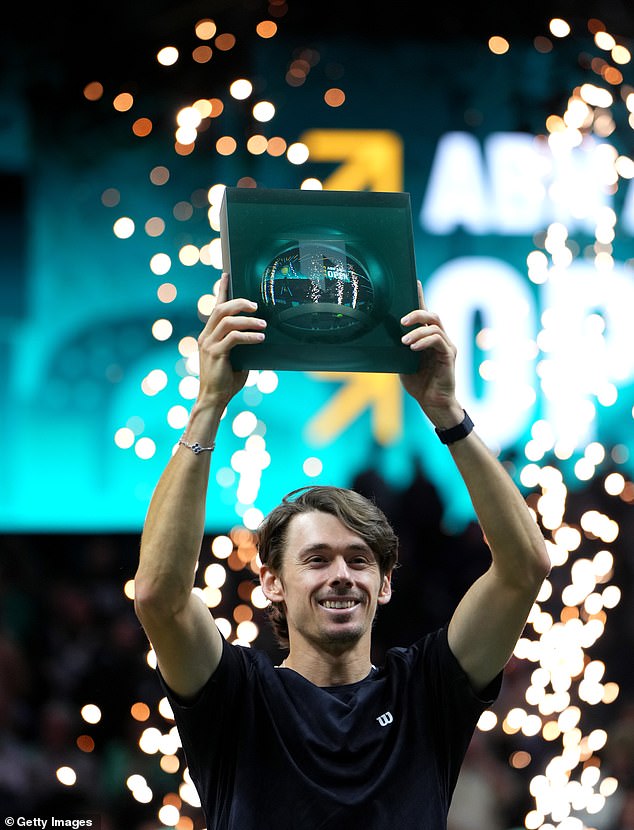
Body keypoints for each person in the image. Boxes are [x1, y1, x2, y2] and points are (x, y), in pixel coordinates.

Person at [134, 273, 550, 829]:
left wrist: (447, 411)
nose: (341, 575)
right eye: (316, 559)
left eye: (359, 560)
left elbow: (525, 568)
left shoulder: (425, 693)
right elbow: (158, 596)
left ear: (385, 583)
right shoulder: (237, 694)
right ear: (271, 582)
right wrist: (209, 404)